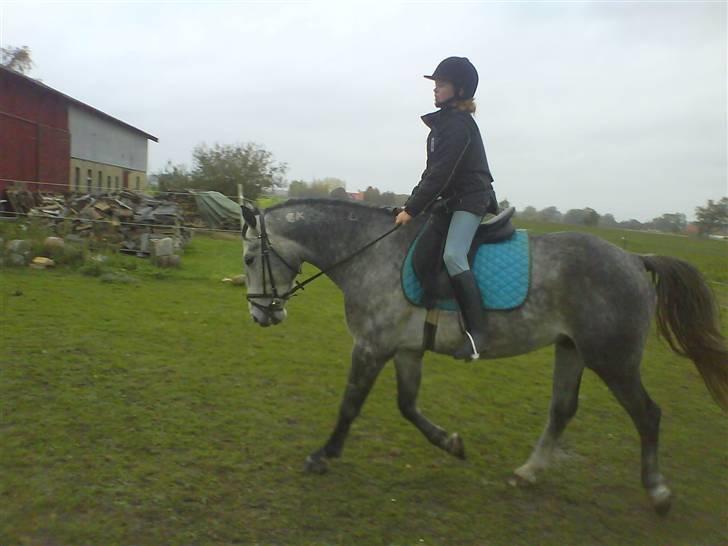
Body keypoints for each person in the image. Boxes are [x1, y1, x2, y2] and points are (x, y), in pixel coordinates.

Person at [395, 56, 497, 360]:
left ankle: (478, 334)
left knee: (453, 255)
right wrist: (410, 205)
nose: (435, 89)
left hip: (470, 200)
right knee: (422, 253)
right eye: (436, 84)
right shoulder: (444, 124)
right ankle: (433, 315)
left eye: (442, 84)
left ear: (460, 89)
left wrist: (412, 210)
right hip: (449, 202)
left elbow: (441, 175)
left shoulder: (457, 126)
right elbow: (431, 173)